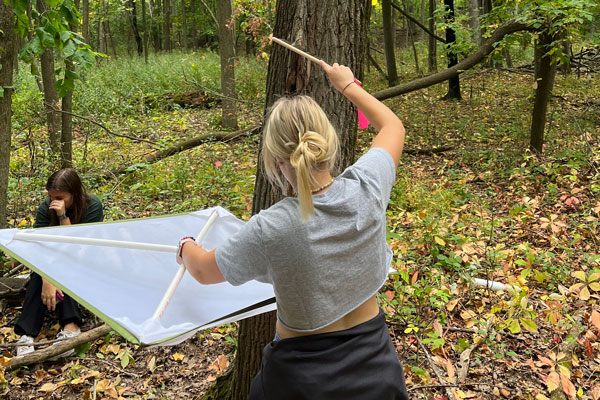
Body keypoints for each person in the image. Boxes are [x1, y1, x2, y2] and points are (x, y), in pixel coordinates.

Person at [176, 60, 408, 399]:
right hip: (379, 373)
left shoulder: (272, 227)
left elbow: (202, 269)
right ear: (328, 141)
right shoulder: (368, 186)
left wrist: (186, 246)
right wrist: (347, 85)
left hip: (299, 382)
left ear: (275, 158)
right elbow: (393, 126)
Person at [15, 168, 104, 357]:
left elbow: (76, 247)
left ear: (74, 193)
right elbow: (37, 246)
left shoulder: (92, 205)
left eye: (61, 197)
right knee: (38, 276)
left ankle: (70, 328)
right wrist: (48, 278)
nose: (55, 201)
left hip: (83, 259)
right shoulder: (45, 208)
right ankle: (26, 335)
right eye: (52, 196)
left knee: (68, 268)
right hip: (51, 258)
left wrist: (63, 216)